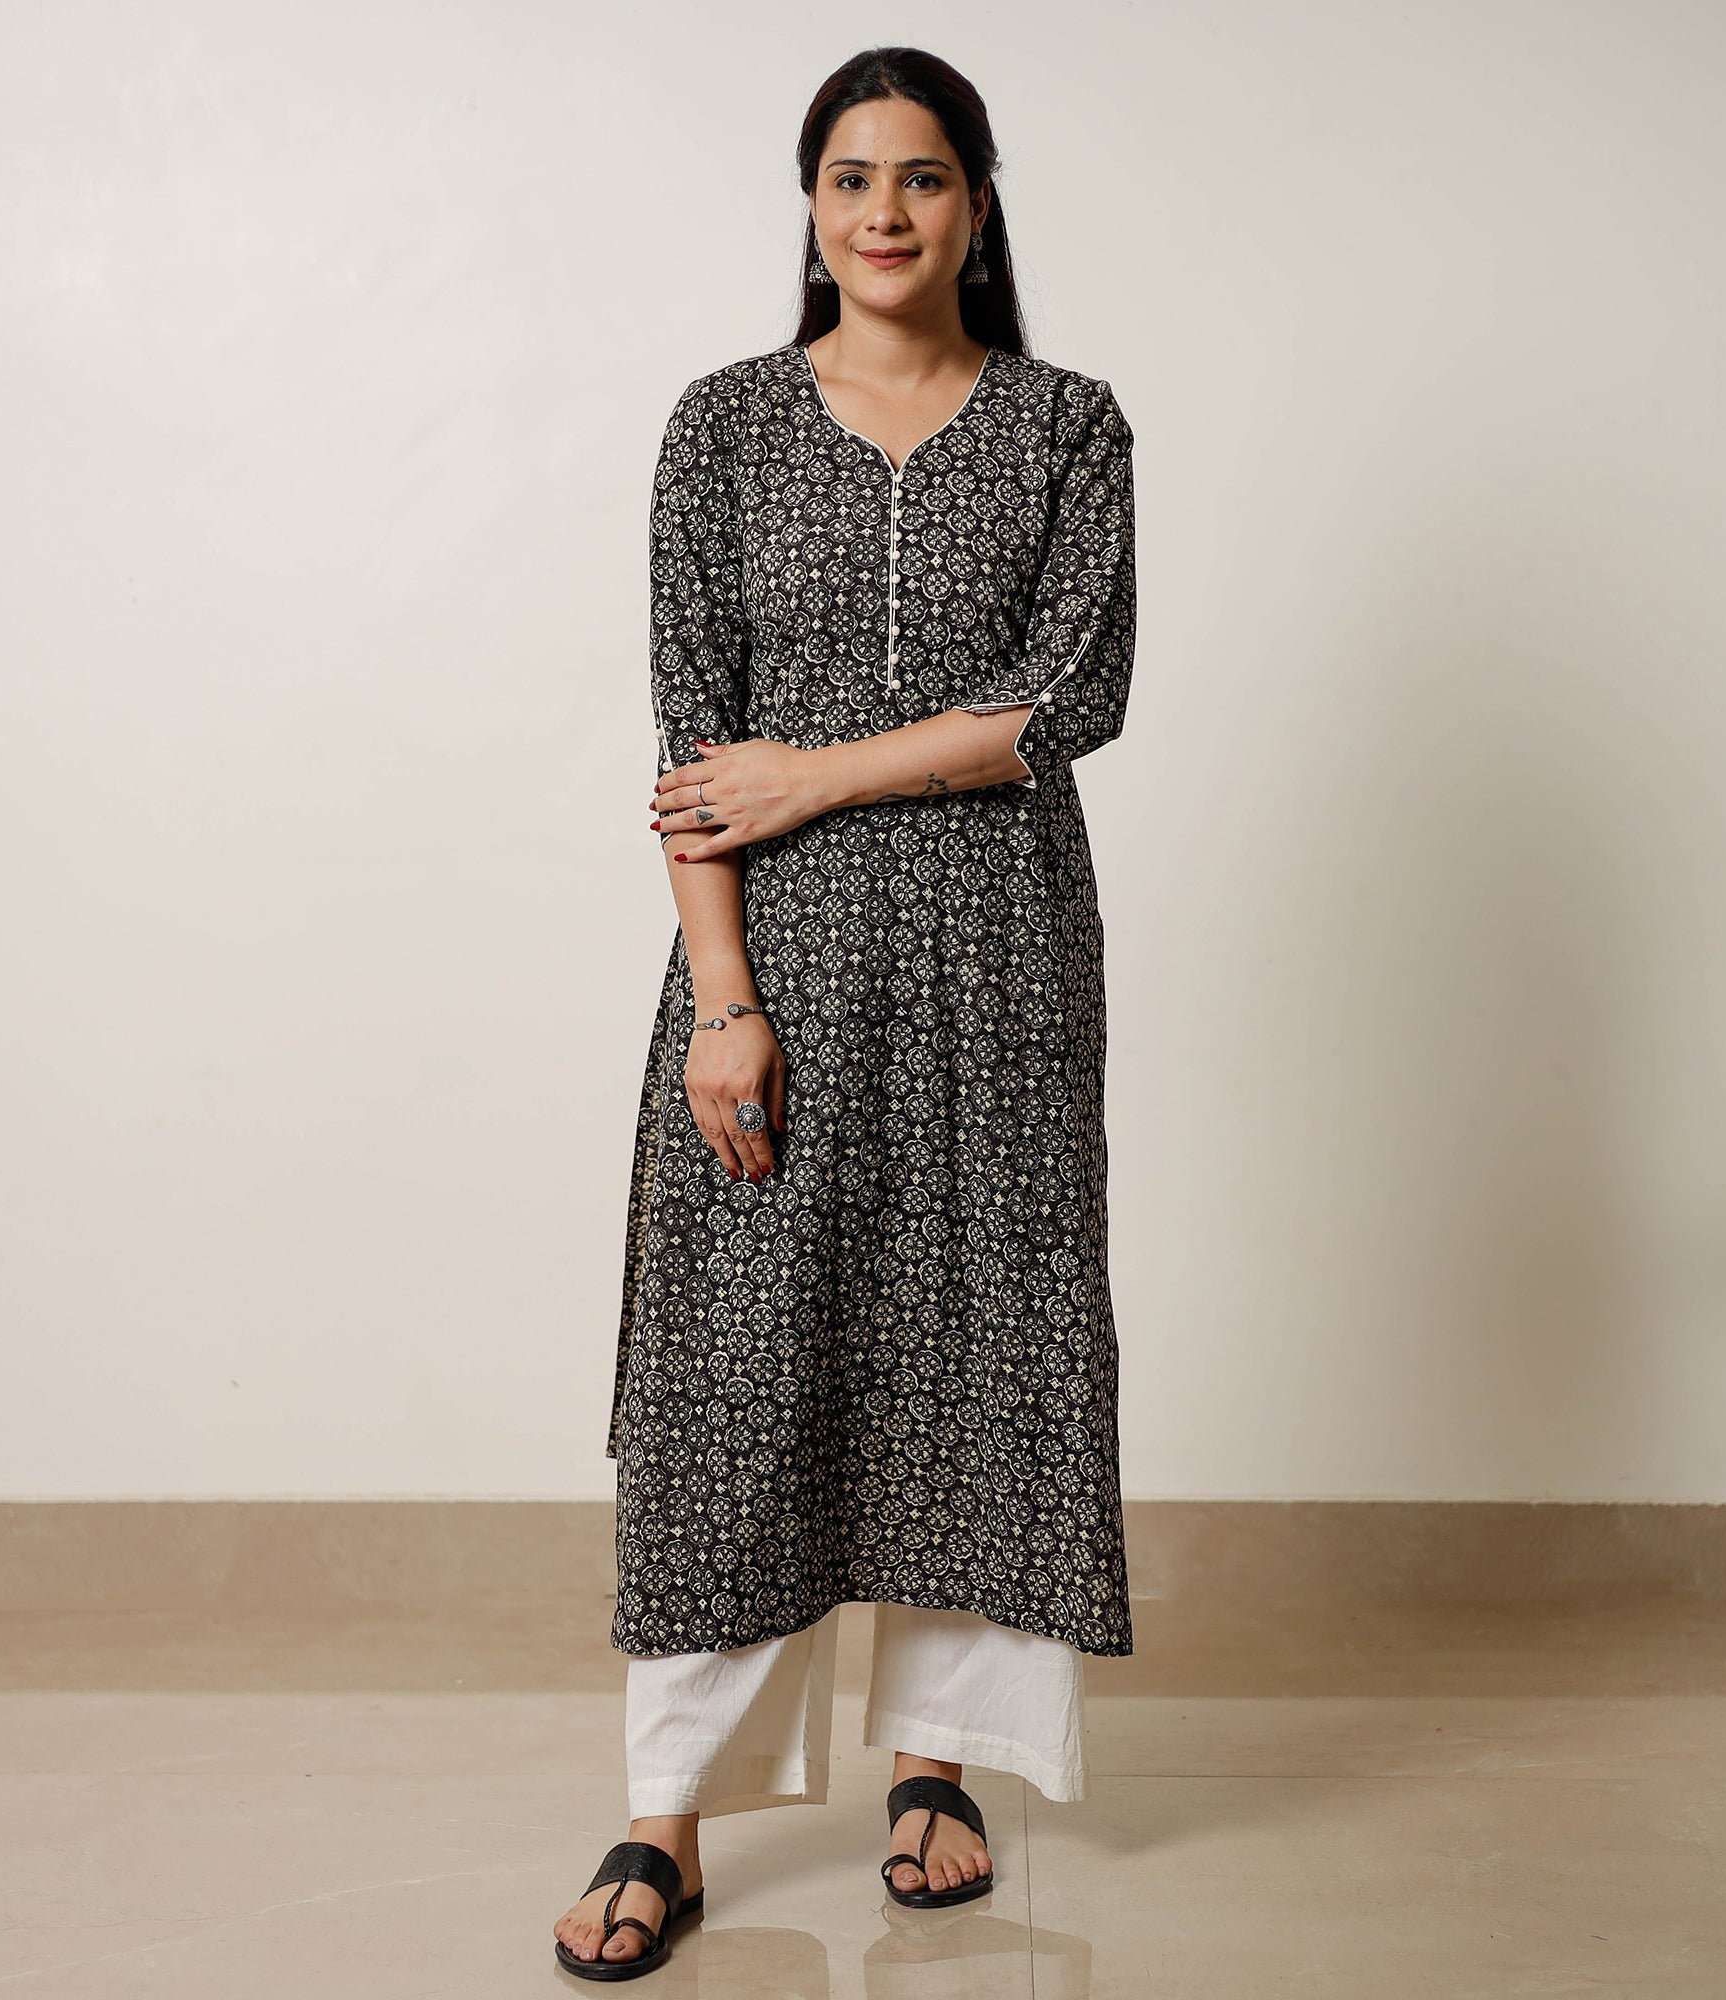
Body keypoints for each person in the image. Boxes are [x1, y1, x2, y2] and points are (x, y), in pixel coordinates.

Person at [557, 43, 1139, 1979]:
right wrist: (722, 1002)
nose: (884, 212)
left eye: (922, 176)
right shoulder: (722, 427)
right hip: (781, 961)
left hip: (996, 960)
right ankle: (665, 1814)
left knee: (977, 1342)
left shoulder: (1065, 427)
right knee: (731, 1365)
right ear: (810, 210)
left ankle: (939, 1767)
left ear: (976, 205)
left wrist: (810, 773)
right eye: (849, 179)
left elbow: (1059, 704)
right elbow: (691, 738)